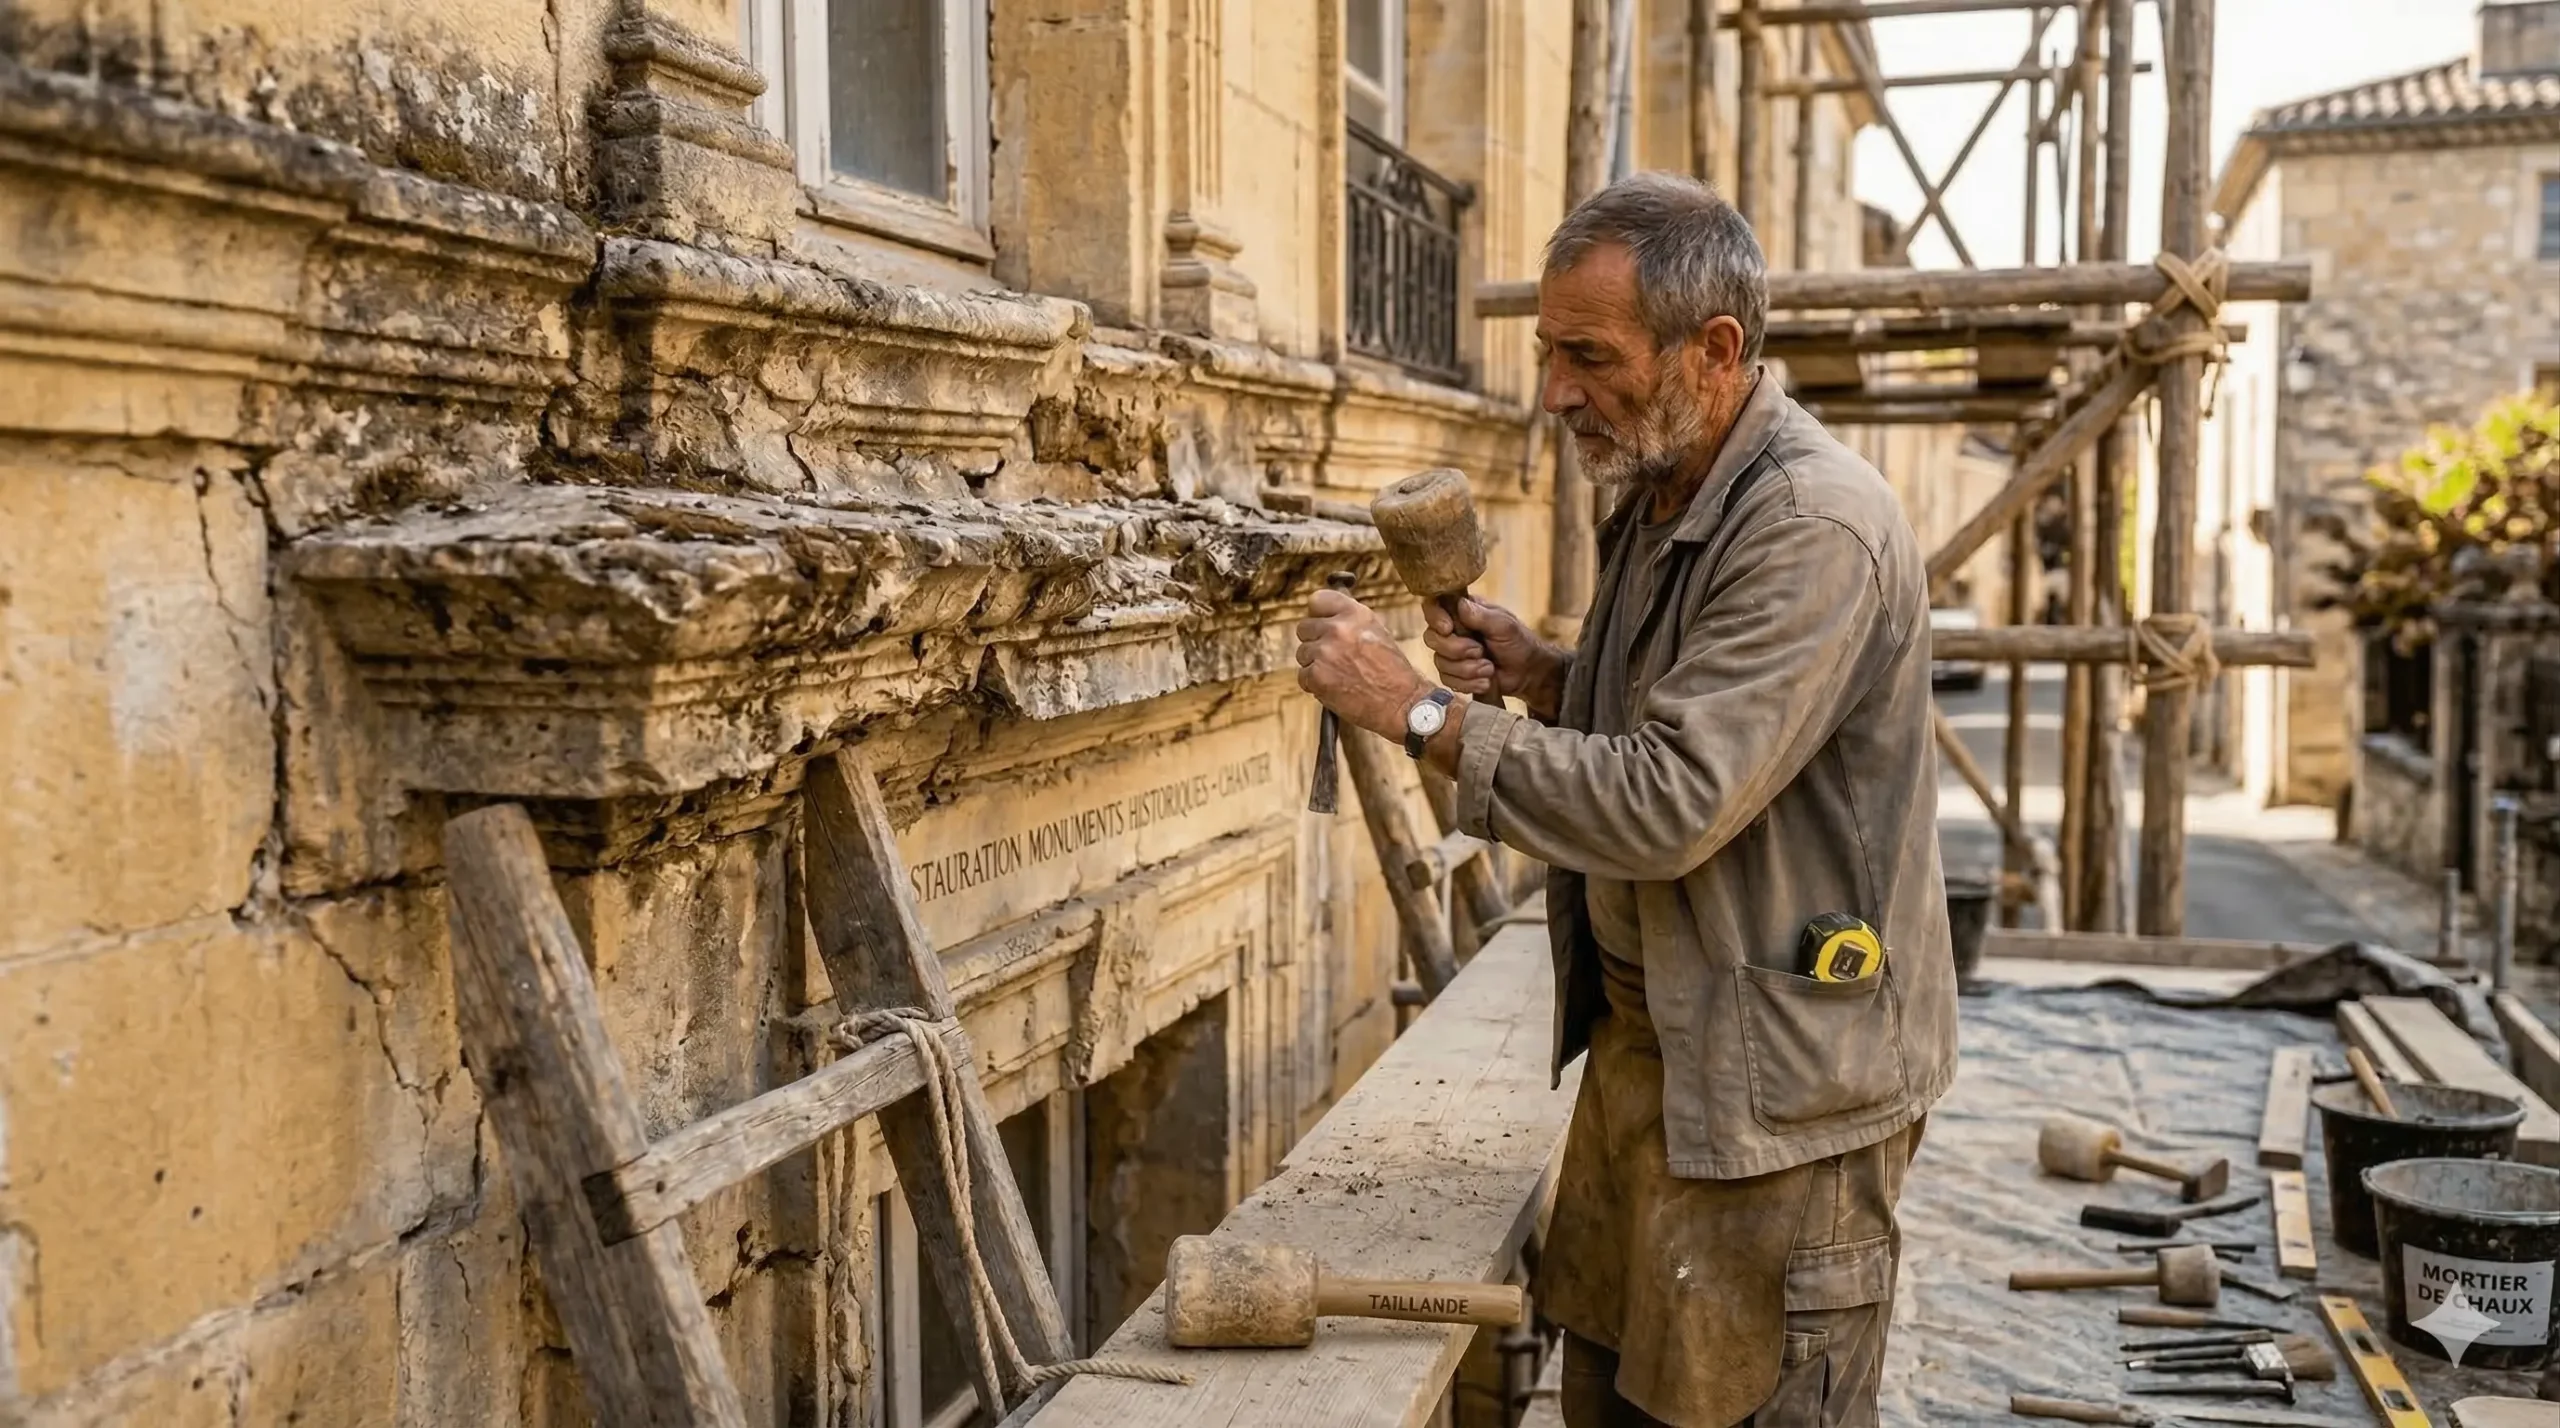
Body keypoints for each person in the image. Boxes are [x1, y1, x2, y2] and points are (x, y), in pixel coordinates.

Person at [1294, 172, 1958, 1427]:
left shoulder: (1815, 527)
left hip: (1777, 1107)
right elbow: (1669, 726)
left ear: (1714, 351)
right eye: (1548, 353)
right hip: (1650, 1064)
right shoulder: (1660, 491)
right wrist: (1549, 678)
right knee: (1605, 1394)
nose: (1553, 393)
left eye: (1588, 356)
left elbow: (1669, 802)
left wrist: (1417, 711)